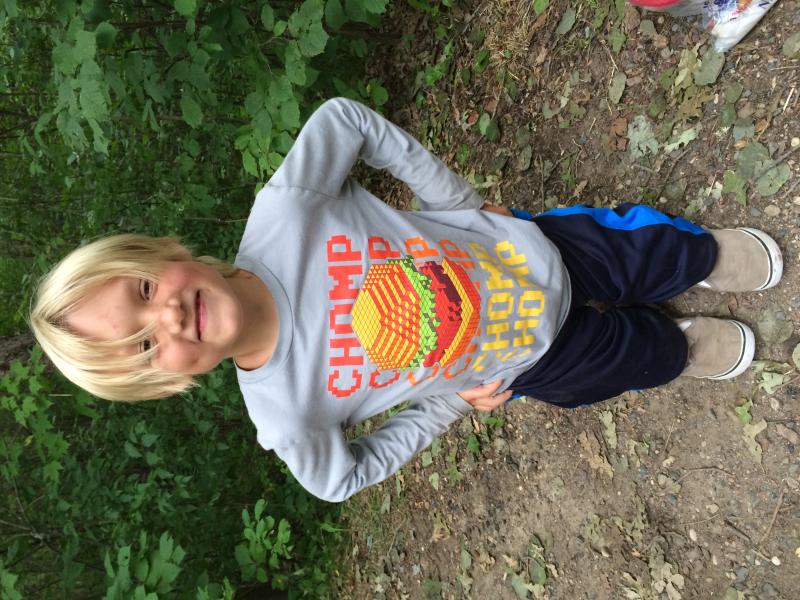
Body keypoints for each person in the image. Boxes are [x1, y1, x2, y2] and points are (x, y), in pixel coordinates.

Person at [29, 98, 783, 502]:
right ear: (167, 380)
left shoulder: (285, 214)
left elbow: (343, 120)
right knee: (631, 362)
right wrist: (450, 403)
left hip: (531, 253)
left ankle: (706, 258)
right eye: (144, 345)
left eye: (145, 290)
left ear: (165, 255)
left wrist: (458, 202)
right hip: (526, 362)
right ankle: (678, 345)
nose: (166, 317)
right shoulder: (286, 414)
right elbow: (339, 480)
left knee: (647, 251)